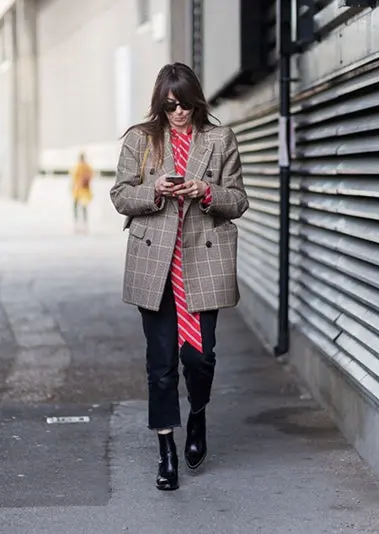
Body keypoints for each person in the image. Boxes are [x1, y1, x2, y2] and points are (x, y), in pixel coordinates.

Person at [109, 62, 249, 491]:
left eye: (185, 105)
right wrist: (156, 191)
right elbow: (119, 195)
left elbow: (239, 200)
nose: (179, 113)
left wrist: (205, 191)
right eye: (170, 106)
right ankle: (166, 451)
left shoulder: (220, 139)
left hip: (202, 262)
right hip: (157, 263)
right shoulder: (142, 139)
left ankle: (199, 413)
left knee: (200, 358)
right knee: (161, 364)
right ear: (160, 104)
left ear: (196, 101)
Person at [71, 152, 93, 228]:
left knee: (78, 205)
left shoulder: (78, 166)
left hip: (80, 189)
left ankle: (78, 220)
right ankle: (83, 221)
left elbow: (74, 177)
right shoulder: (86, 166)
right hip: (82, 189)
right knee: (81, 205)